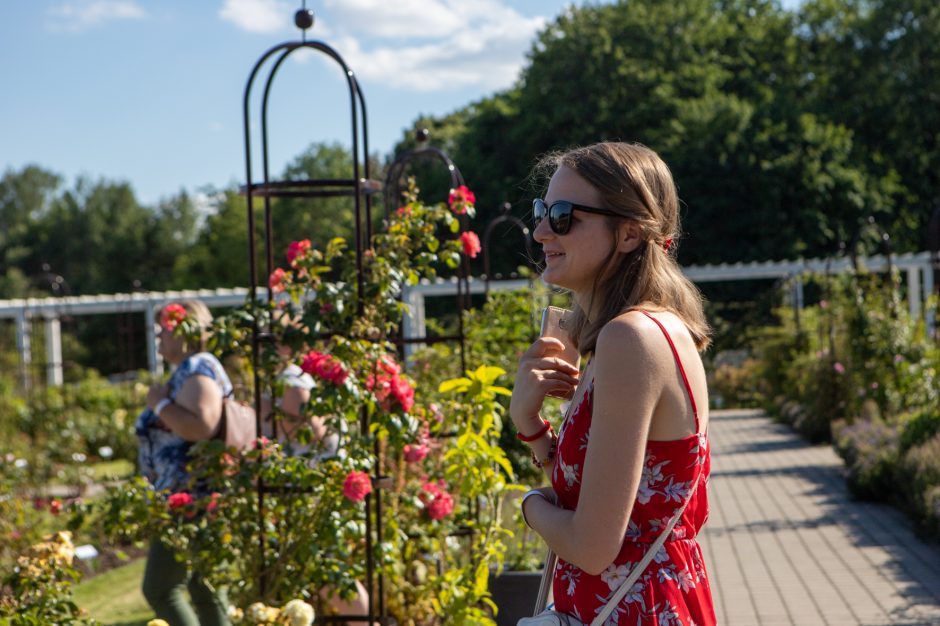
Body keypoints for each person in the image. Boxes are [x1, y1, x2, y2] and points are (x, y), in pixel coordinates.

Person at [510, 142, 716, 624]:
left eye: (563, 215)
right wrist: (530, 424)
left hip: (632, 609)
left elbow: (591, 545)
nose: (541, 230)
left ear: (628, 233)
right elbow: (602, 505)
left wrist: (528, 506)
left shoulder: (630, 338)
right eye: (542, 210)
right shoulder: (638, 333)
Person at [136, 299, 231, 626]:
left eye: (165, 327)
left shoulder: (197, 368)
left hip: (190, 496)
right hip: (189, 494)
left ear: (185, 330)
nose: (159, 334)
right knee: (203, 587)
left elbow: (202, 425)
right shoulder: (189, 369)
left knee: (160, 589)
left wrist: (159, 403)